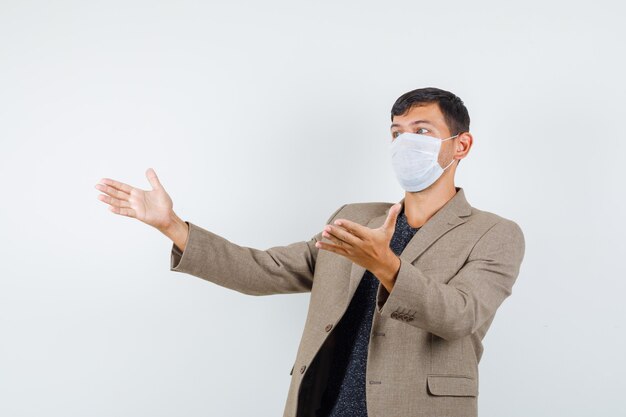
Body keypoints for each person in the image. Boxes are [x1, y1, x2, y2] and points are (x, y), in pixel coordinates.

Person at [94, 87, 525, 417]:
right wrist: (172, 226)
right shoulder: (355, 216)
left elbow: (460, 316)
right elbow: (263, 270)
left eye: (422, 132)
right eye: (396, 133)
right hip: (324, 403)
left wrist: (387, 266)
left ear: (461, 146)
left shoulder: (495, 233)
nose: (404, 143)